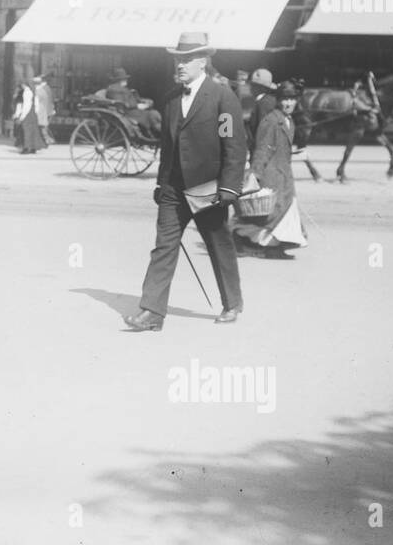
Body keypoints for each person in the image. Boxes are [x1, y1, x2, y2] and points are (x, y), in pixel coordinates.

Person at [125, 32, 246, 332]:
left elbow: (233, 144)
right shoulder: (169, 99)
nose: (179, 65)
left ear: (202, 62)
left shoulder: (222, 97)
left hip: (208, 190)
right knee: (163, 248)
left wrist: (229, 188)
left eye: (186, 59)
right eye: (177, 59)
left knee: (219, 246)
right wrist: (161, 184)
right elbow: (168, 148)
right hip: (172, 191)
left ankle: (231, 303)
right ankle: (152, 311)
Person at [234, 82, 309, 258]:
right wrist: (255, 174)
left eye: (291, 99)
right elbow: (262, 149)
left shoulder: (287, 120)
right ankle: (240, 236)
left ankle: (276, 246)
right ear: (278, 100)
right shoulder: (271, 121)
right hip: (272, 175)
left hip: (284, 174)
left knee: (283, 211)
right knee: (272, 214)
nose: (288, 103)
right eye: (284, 99)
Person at [246, 68, 278, 153]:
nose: (250, 88)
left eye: (253, 85)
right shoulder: (269, 100)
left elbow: (263, 129)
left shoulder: (263, 103)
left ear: (261, 87)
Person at [14, 77, 47, 154]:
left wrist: (22, 116)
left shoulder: (26, 92)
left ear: (23, 84)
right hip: (33, 113)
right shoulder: (32, 91)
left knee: (26, 131)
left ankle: (26, 147)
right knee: (34, 131)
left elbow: (26, 105)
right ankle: (33, 147)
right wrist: (36, 112)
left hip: (28, 113)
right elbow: (36, 103)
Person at [33, 74, 55, 145]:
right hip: (45, 110)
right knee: (43, 127)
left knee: (43, 127)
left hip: (44, 110)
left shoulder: (44, 89)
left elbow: (47, 101)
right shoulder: (45, 88)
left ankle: (47, 140)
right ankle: (45, 141)